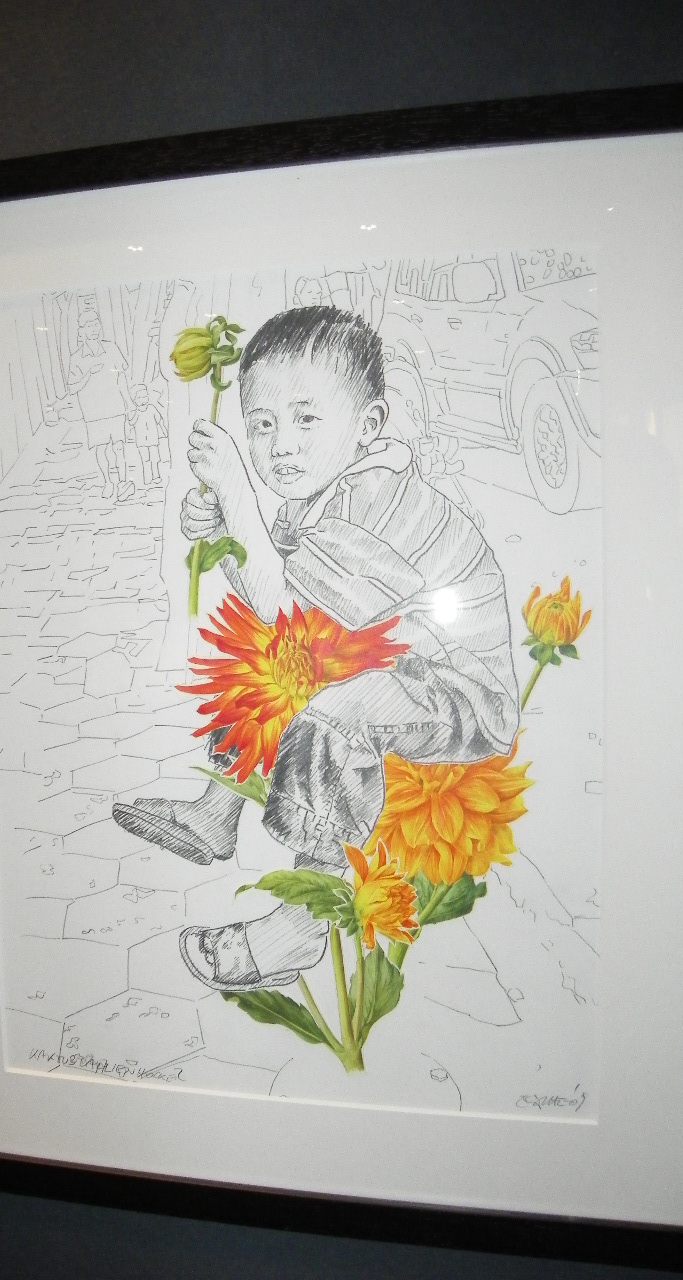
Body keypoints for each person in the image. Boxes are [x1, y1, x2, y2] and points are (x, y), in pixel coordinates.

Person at [113, 307, 518, 990]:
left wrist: (237, 494)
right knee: (263, 658)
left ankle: (304, 922)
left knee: (334, 713)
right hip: (393, 658)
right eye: (262, 424)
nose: (281, 446)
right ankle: (216, 812)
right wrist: (226, 535)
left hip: (458, 692)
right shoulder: (317, 496)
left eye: (306, 419)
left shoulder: (376, 500)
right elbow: (278, 608)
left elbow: (295, 615)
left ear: (368, 425)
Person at [67, 309, 135, 501]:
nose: (94, 329)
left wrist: (129, 403)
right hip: (93, 412)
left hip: (116, 407)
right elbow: (72, 388)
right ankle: (108, 482)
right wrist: (87, 374)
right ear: (82, 331)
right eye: (89, 326)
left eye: (96, 324)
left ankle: (123, 483)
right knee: (100, 449)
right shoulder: (76, 357)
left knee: (119, 447)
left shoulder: (111, 348)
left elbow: (122, 378)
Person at [126, 383, 166, 488]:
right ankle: (147, 477)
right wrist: (134, 412)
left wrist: (164, 431)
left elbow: (159, 420)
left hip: (153, 439)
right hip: (141, 441)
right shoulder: (136, 412)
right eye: (139, 398)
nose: (142, 400)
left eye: (144, 396)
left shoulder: (152, 408)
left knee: (155, 458)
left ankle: (156, 476)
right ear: (134, 400)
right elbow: (131, 422)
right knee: (145, 460)